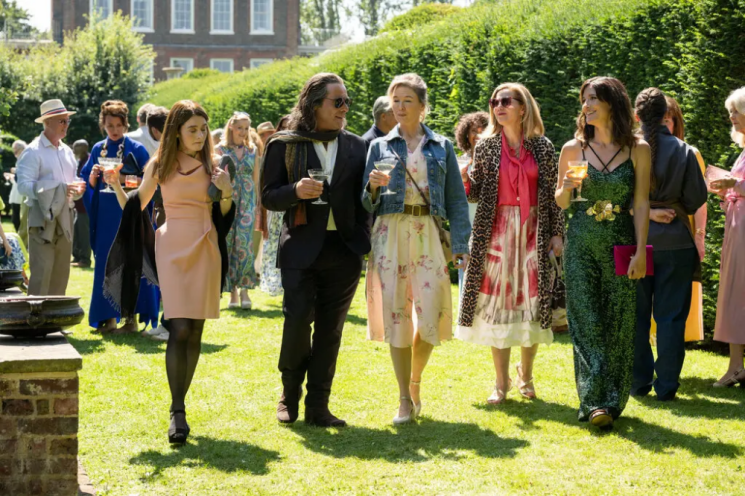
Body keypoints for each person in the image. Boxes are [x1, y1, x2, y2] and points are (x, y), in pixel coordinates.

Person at [104, 99, 235, 444]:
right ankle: (178, 411)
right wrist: (116, 185)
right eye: (193, 129)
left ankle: (181, 402)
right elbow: (135, 207)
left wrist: (226, 193)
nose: (200, 135)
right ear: (176, 131)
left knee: (195, 330)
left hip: (206, 247)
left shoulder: (215, 164)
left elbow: (225, 216)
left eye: (203, 129)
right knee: (179, 327)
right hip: (172, 248)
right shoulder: (160, 164)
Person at [262, 73, 372, 427]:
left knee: (330, 331)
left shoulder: (358, 145)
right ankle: (289, 394)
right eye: (337, 102)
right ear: (314, 105)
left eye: (347, 102)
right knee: (297, 324)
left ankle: (318, 406)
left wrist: (367, 224)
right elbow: (269, 197)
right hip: (300, 249)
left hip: (344, 250)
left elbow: (364, 200)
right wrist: (295, 190)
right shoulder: (284, 144)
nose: (344, 109)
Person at [364, 73, 470, 424]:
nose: (399, 106)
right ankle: (403, 399)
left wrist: (461, 244)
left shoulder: (441, 146)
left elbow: (456, 199)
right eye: (395, 100)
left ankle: (414, 380)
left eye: (407, 100)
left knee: (431, 313)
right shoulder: (379, 146)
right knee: (397, 315)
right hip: (390, 233)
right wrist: (373, 187)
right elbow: (366, 201)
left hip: (427, 233)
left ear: (423, 106)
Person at [456, 84, 564, 404]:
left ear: (523, 107)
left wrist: (557, 233)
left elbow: (553, 196)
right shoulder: (486, 146)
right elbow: (476, 194)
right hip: (496, 233)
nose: (498, 106)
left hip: (534, 232)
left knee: (532, 305)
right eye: (495, 102)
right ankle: (500, 382)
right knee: (497, 308)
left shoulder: (543, 147)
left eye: (506, 101)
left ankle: (525, 375)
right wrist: (466, 179)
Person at [555, 76, 651, 430]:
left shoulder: (638, 149)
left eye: (593, 98)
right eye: (584, 99)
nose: (587, 105)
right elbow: (561, 202)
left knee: (619, 322)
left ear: (613, 102)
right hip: (581, 241)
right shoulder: (572, 149)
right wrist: (566, 187)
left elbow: (641, 203)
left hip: (621, 242)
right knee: (586, 320)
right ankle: (595, 401)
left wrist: (641, 251)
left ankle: (613, 399)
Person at [632, 88, 708, 401]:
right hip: (676, 241)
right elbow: (696, 198)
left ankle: (638, 383)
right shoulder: (684, 150)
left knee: (636, 316)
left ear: (636, 116)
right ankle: (666, 387)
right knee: (672, 318)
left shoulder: (627, 149)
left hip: (635, 242)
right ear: (667, 115)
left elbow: (618, 197)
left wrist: (647, 209)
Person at [81, 100, 160, 334]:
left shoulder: (137, 149)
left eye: (118, 125)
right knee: (105, 263)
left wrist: (121, 180)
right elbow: (88, 184)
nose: (114, 130)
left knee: (130, 261)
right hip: (105, 216)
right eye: (109, 126)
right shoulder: (98, 149)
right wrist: (93, 179)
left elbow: (147, 184)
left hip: (128, 213)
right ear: (103, 125)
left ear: (125, 125)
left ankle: (131, 319)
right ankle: (108, 318)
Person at [647, 96, 708, 343]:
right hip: (652, 232)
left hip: (679, 228)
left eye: (668, 120)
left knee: (671, 304)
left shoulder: (689, 152)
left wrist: (700, 236)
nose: (664, 124)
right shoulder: (638, 150)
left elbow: (699, 203)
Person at [16, 99, 85, 296]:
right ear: (47, 122)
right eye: (62, 121)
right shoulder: (32, 151)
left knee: (61, 272)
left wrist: (78, 187)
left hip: (66, 215)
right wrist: (57, 190)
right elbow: (23, 186)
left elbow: (71, 181)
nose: (66, 125)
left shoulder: (67, 151)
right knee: (42, 272)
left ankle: (56, 315)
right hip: (42, 217)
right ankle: (36, 315)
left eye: (67, 121)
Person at [709, 86, 745, 387]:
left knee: (739, 290)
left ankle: (736, 367)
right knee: (734, 291)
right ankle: (736, 366)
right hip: (737, 228)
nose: (731, 116)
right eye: (730, 112)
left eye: (736, 111)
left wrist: (734, 184)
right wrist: (726, 190)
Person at [216, 112, 261, 309]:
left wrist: (258, 206)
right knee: (227, 243)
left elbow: (256, 180)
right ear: (231, 127)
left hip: (248, 203)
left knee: (245, 245)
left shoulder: (253, 150)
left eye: (246, 128)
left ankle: (244, 290)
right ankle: (232, 292)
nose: (243, 132)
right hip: (227, 201)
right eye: (239, 127)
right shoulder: (220, 150)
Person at [259, 115, 290, 297]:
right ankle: (276, 284)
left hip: (294, 206)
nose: (287, 130)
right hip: (277, 207)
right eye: (283, 127)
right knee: (275, 245)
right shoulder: (275, 149)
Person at [71, 139, 91, 268]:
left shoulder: (88, 161)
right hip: (78, 205)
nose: (73, 151)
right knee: (76, 231)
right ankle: (77, 256)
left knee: (84, 233)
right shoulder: (80, 161)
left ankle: (85, 259)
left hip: (85, 205)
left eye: (75, 149)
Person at [8, 140, 27, 233]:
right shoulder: (20, 159)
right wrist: (12, 177)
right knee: (15, 219)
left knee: (19, 220)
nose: (14, 152)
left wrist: (15, 171)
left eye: (16, 149)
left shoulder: (26, 158)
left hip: (22, 194)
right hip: (16, 194)